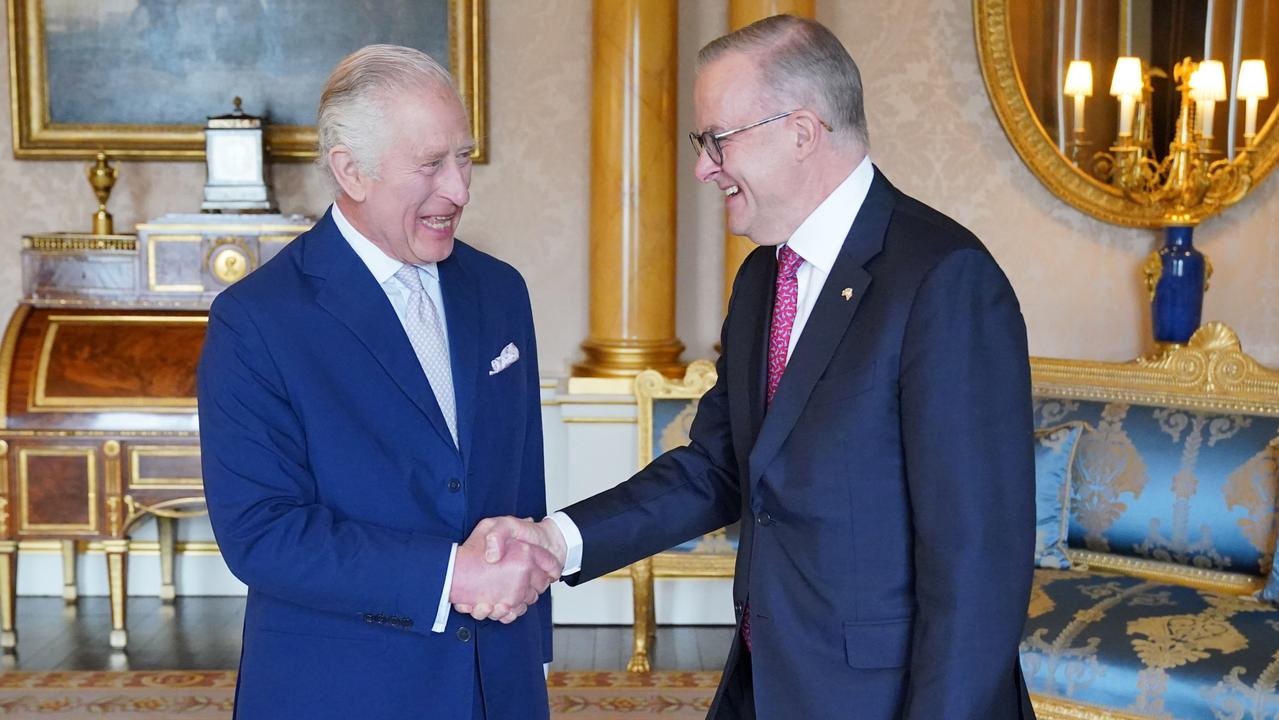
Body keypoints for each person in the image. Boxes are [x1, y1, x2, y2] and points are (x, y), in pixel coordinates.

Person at [474, 16, 1037, 719]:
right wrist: (555, 541)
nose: (703, 167)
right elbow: (716, 467)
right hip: (767, 678)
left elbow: (977, 559)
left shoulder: (943, 278)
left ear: (801, 132)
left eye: (716, 139)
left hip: (885, 697)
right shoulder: (764, 279)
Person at [198, 45, 557, 720]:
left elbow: (521, 485)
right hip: (340, 687)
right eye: (430, 164)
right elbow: (262, 534)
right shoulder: (256, 320)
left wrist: (525, 651)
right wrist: (452, 575)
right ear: (350, 171)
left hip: (495, 680)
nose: (459, 188)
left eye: (463, 157)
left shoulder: (500, 291)